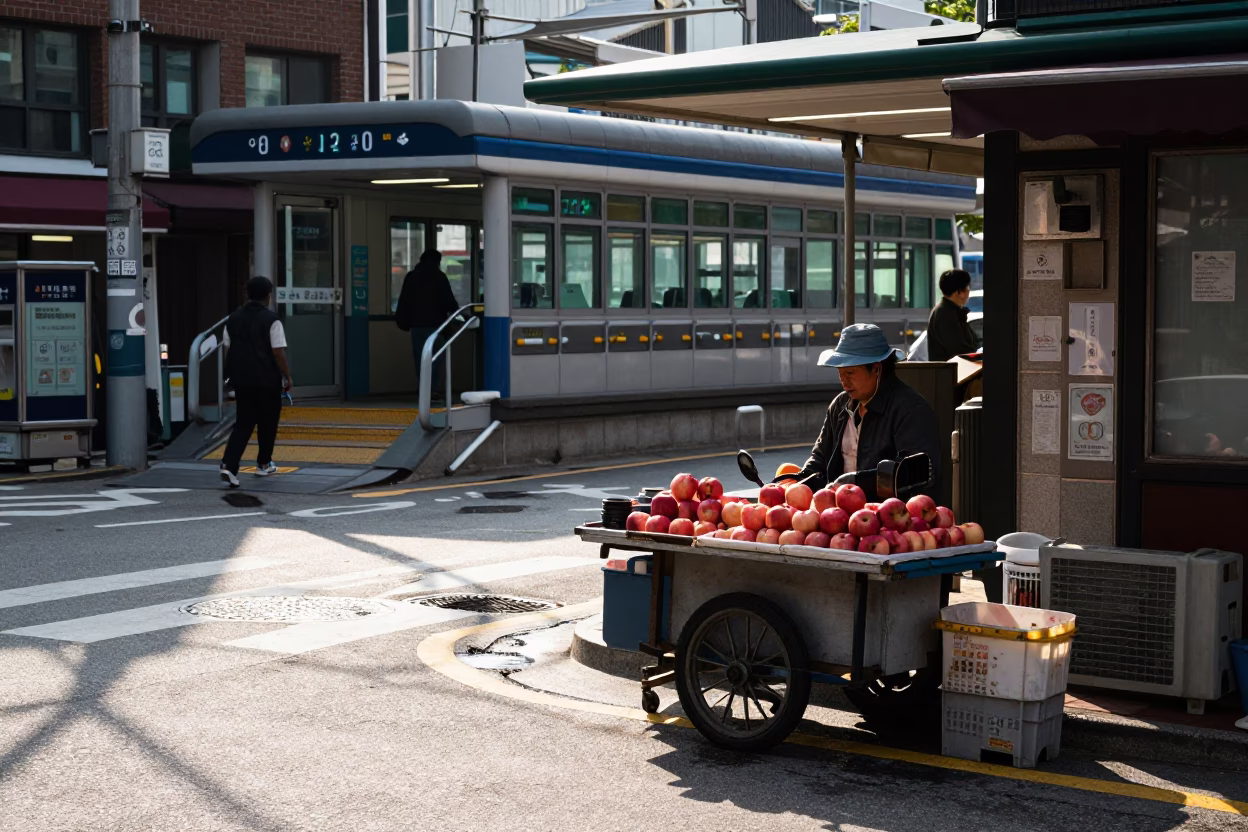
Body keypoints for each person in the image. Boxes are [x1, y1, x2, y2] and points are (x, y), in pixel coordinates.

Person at [792, 324, 942, 501]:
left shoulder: (911, 410)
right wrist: (796, 483)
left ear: (877, 370)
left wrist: (857, 481)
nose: (844, 381)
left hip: (889, 516)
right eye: (840, 373)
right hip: (838, 513)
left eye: (850, 372)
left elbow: (915, 473)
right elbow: (820, 457)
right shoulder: (840, 405)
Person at [219, 276, 292, 488]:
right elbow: (278, 351)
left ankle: (229, 465)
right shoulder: (271, 320)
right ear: (268, 295)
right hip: (267, 379)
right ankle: (263, 463)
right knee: (268, 421)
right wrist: (287, 376)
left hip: (241, 380)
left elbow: (227, 348)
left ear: (247, 293)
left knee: (243, 422)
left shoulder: (232, 319)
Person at [395, 250, 460, 401]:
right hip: (437, 326)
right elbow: (449, 301)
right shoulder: (439, 277)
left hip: (417, 326)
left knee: (421, 358)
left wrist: (403, 322)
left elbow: (404, 301)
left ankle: (423, 389)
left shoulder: (412, 277)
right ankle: (432, 391)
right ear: (437, 261)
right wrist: (458, 313)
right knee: (435, 359)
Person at [926, 268, 979, 362]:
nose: (968, 291)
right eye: (967, 287)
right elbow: (960, 350)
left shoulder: (952, 311)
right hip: (951, 374)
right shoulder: (945, 314)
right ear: (959, 292)